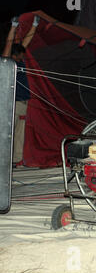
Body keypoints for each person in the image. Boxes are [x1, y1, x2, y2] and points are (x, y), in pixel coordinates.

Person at [2, 15, 40, 167]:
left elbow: (26, 42)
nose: (24, 56)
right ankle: (5, 160)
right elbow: (9, 43)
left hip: (23, 102)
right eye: (21, 54)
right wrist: (13, 26)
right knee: (8, 134)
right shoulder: (7, 61)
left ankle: (14, 161)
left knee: (19, 134)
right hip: (11, 103)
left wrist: (35, 25)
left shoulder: (20, 59)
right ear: (15, 55)